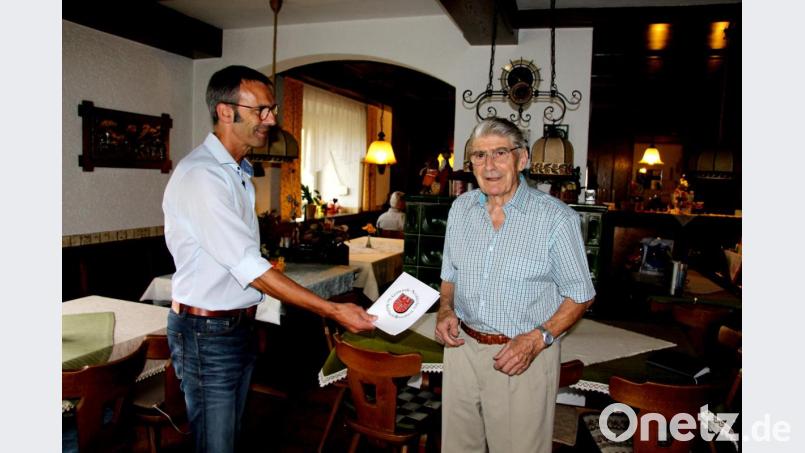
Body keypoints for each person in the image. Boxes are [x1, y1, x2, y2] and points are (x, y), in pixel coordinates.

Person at [162, 65, 376, 453]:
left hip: (233, 328)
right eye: (261, 109)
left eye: (272, 108)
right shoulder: (203, 176)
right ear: (227, 111)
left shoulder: (238, 172)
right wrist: (332, 310)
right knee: (217, 444)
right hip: (206, 332)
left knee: (230, 436)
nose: (272, 119)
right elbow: (249, 266)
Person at [434, 117, 595, 453]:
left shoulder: (555, 218)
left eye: (499, 153)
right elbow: (449, 274)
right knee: (457, 447)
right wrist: (445, 309)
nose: (489, 165)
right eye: (479, 155)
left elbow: (580, 296)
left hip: (522, 357)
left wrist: (537, 340)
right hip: (461, 349)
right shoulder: (461, 209)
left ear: (522, 160)